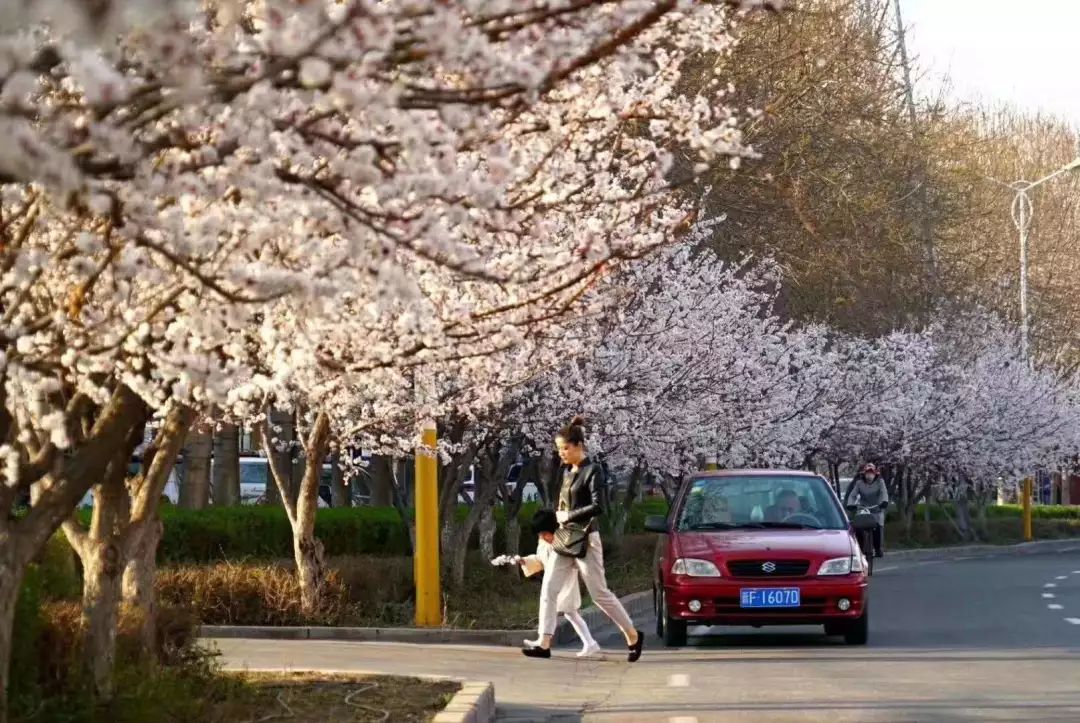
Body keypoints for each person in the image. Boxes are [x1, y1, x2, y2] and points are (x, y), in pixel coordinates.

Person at [522, 416, 643, 661]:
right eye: (559, 449)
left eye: (565, 448)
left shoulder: (593, 471)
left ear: (579, 445)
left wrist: (568, 514)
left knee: (599, 594)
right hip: (564, 539)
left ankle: (632, 634)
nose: (562, 453)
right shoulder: (568, 473)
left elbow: (599, 507)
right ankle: (544, 642)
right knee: (549, 589)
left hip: (586, 539)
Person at [508, 509, 601, 658]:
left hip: (565, 581)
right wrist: (524, 560)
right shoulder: (544, 543)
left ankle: (545, 640)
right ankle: (589, 643)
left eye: (545, 534)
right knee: (570, 613)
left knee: (562, 609)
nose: (543, 538)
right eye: (540, 535)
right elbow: (540, 559)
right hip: (556, 582)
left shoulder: (564, 541)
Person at [844, 463, 889, 557]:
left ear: (875, 474)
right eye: (867, 473)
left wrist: (884, 502)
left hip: (877, 507)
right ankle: (860, 548)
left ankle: (878, 548)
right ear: (864, 474)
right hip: (863, 508)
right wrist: (851, 504)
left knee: (878, 527)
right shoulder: (859, 483)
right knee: (858, 527)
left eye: (871, 473)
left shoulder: (880, 482)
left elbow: (884, 493)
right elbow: (853, 495)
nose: (869, 475)